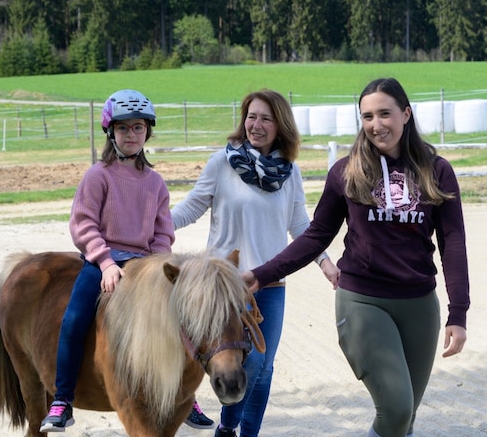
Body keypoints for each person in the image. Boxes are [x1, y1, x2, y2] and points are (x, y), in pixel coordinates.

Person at [243, 78, 470, 437]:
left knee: (405, 418)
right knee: (395, 409)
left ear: (406, 114)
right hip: (363, 302)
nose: (376, 125)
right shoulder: (347, 172)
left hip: (419, 304)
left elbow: (453, 242)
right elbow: (316, 234)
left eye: (385, 114)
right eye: (367, 116)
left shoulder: (436, 170)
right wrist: (262, 273)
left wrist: (459, 311)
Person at [171, 88, 339, 437]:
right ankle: (229, 427)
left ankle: (238, 432)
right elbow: (192, 207)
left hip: (269, 282)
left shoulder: (289, 173)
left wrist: (323, 260)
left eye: (265, 118)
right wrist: (152, 226)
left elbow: (300, 225)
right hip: (225, 286)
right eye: (251, 116)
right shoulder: (222, 163)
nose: (256, 125)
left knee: (262, 367)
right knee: (235, 361)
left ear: (280, 126)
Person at [39, 89, 177, 432]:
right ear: (110, 132)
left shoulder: (156, 183)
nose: (131, 135)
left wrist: (157, 266)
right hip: (103, 262)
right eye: (123, 129)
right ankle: (62, 399)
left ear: (148, 132)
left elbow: (163, 232)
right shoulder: (98, 175)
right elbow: (82, 223)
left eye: (138, 128)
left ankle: (183, 396)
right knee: (73, 320)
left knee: (179, 320)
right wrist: (105, 262)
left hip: (145, 267)